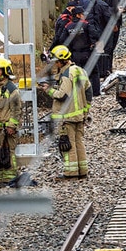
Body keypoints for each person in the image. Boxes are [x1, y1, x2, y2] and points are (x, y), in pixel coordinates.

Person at [39, 45, 92, 180]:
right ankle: (82, 170)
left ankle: (71, 173)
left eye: (56, 61)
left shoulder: (67, 74)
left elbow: (63, 95)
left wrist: (48, 90)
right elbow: (89, 91)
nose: (55, 64)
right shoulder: (80, 70)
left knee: (68, 144)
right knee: (79, 142)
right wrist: (86, 111)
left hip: (67, 116)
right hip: (79, 115)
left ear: (62, 61)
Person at [0, 57, 22, 189]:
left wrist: (11, 125)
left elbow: (16, 109)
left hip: (6, 129)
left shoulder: (11, 89)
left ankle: (10, 179)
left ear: (5, 71)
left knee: (8, 154)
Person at [100, 0, 123, 76]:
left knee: (112, 47)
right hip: (108, 23)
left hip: (117, 21)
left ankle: (109, 68)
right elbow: (105, 9)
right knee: (107, 48)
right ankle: (105, 70)